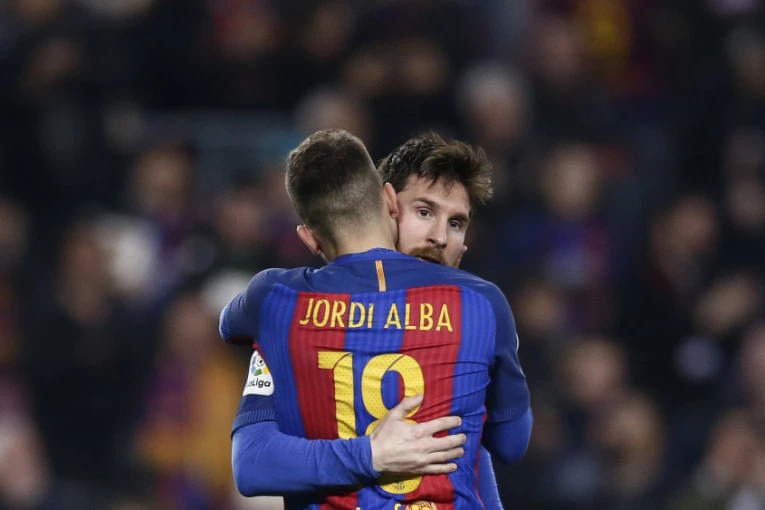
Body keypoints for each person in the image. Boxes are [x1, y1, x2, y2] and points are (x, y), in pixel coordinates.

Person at [220, 129, 532, 507]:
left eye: (456, 223)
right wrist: (370, 454)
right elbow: (510, 442)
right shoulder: (482, 305)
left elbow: (230, 323)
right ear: (389, 204)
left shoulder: (278, 303)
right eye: (424, 212)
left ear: (310, 238)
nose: (440, 237)